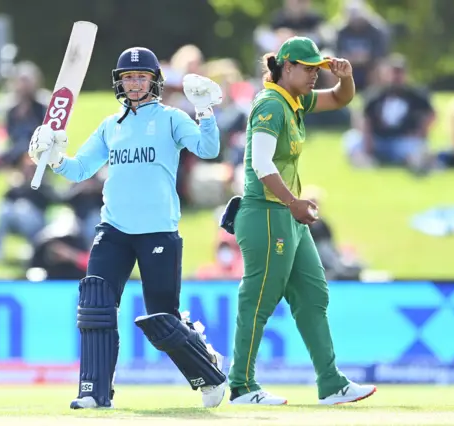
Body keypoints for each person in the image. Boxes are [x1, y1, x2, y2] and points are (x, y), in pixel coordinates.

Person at [27, 47, 227, 409]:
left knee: (163, 320)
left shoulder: (171, 118)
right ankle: (94, 391)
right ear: (119, 82)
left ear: (154, 81)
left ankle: (208, 370)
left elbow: (208, 149)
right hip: (114, 229)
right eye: (128, 78)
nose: (134, 84)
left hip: (157, 231)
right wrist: (54, 156)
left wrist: (205, 111)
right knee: (95, 305)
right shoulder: (110, 125)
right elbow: (79, 170)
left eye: (141, 77)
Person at [224, 37, 376, 405]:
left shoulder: (294, 101)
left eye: (316, 69)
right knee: (258, 299)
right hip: (268, 213)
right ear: (286, 67)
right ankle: (242, 386)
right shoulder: (270, 104)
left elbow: (340, 98)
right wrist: (293, 202)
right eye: (308, 69)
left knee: (313, 294)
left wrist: (346, 77)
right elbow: (261, 163)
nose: (313, 76)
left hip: (287, 214)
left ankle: (331, 383)